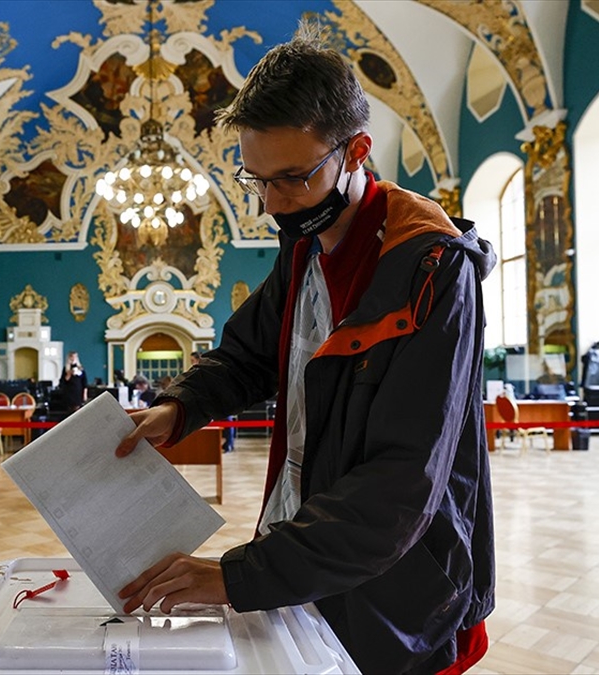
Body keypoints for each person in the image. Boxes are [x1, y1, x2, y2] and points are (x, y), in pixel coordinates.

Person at [113, 24, 496, 675]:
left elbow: (400, 485)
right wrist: (179, 409)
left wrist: (235, 576)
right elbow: (249, 355)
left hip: (400, 582)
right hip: (305, 542)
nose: (272, 204)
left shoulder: (432, 267)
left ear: (357, 151)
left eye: (292, 178)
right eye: (256, 180)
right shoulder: (305, 247)